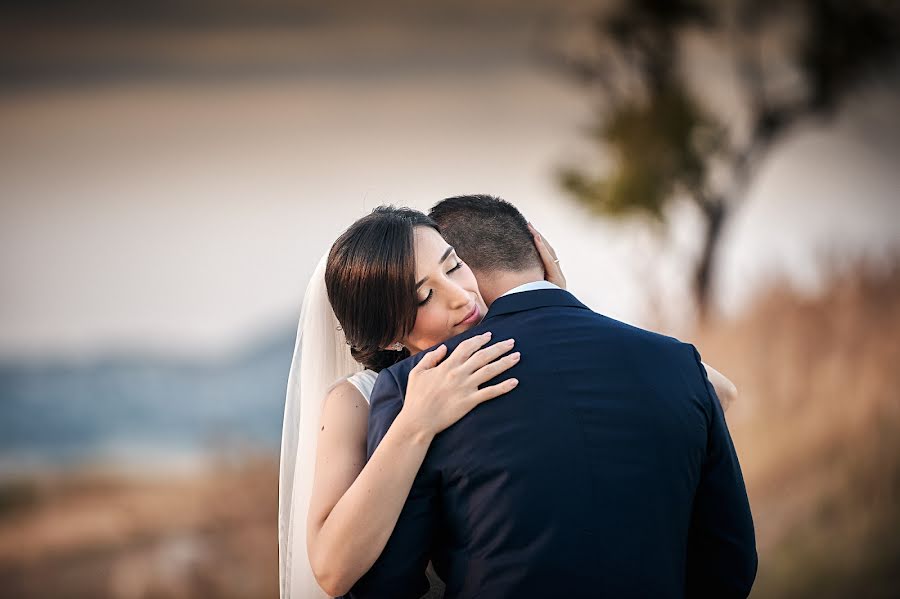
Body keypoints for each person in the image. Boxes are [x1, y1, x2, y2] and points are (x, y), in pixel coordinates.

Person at [278, 204, 742, 598]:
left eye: (454, 265)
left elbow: (714, 391)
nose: (462, 297)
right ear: (390, 334)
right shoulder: (362, 399)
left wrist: (562, 310)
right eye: (426, 295)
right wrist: (415, 422)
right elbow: (334, 571)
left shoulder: (499, 351)